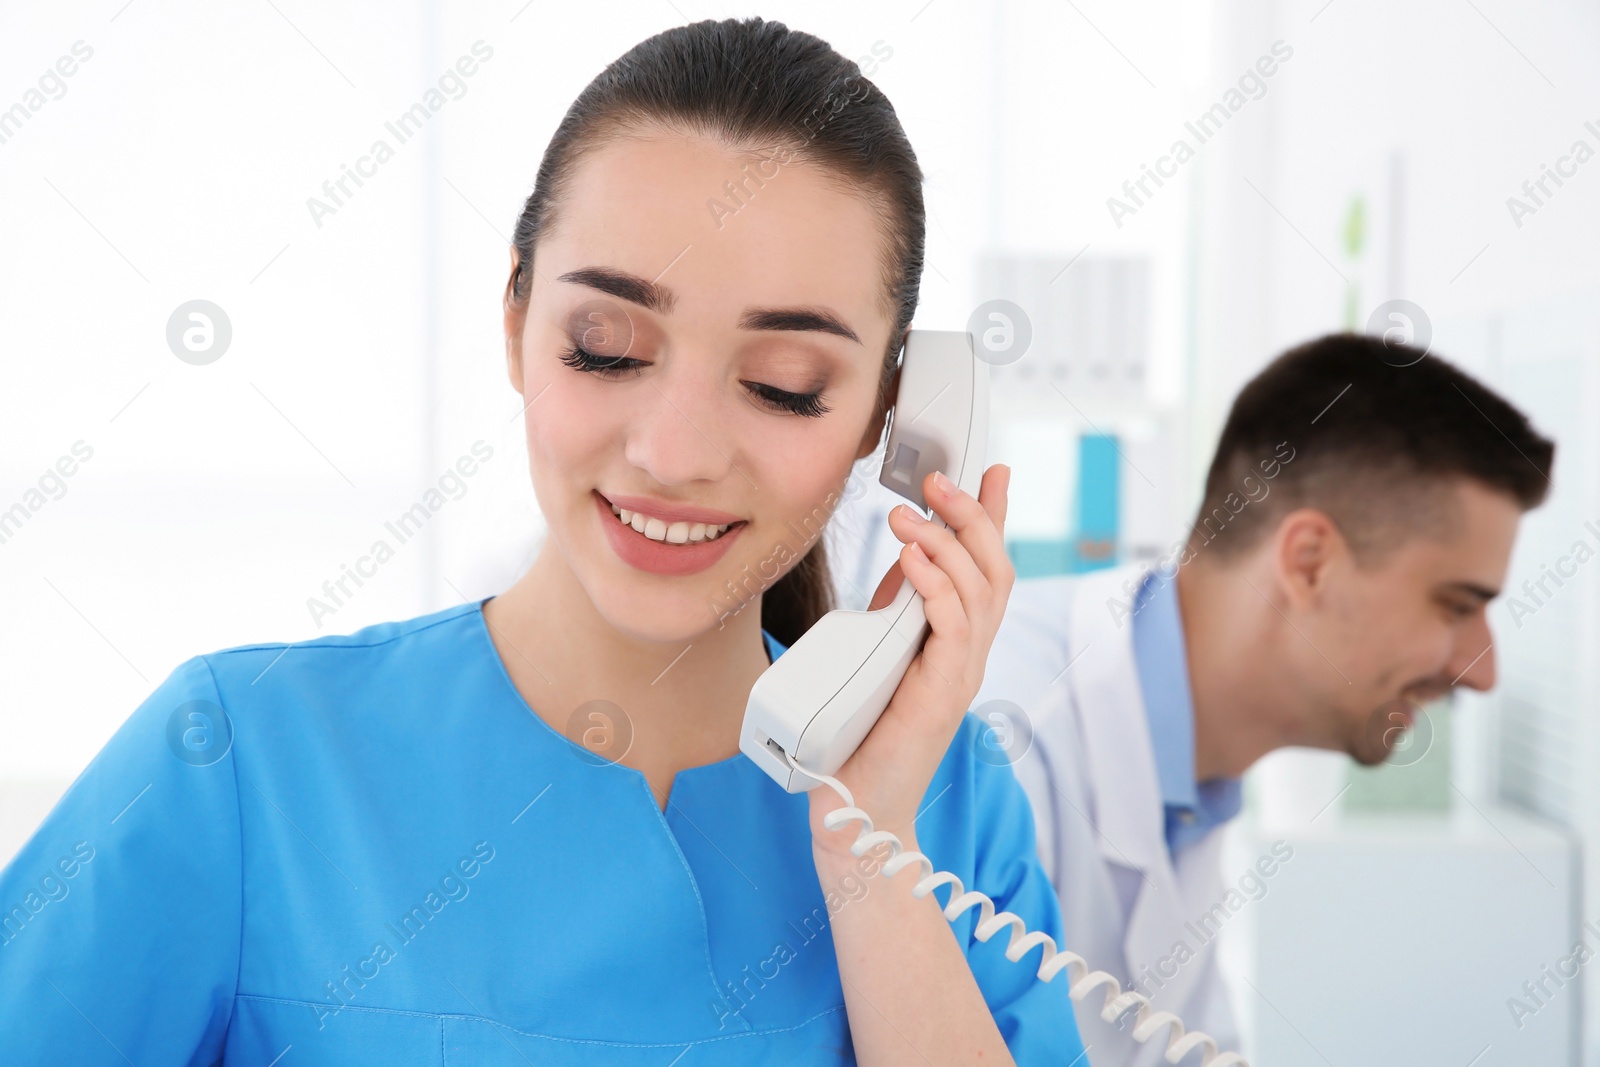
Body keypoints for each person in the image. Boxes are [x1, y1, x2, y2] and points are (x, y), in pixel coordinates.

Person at [0, 18, 1086, 1066]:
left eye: (782, 383)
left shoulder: (949, 809)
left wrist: (868, 848)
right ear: (517, 317)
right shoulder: (241, 763)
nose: (673, 451)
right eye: (605, 346)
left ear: (892, 413)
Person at [975, 332, 1556, 1066]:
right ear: (1308, 563)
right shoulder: (1001, 734)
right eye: (1456, 604)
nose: (1483, 671)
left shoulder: (1195, 766)